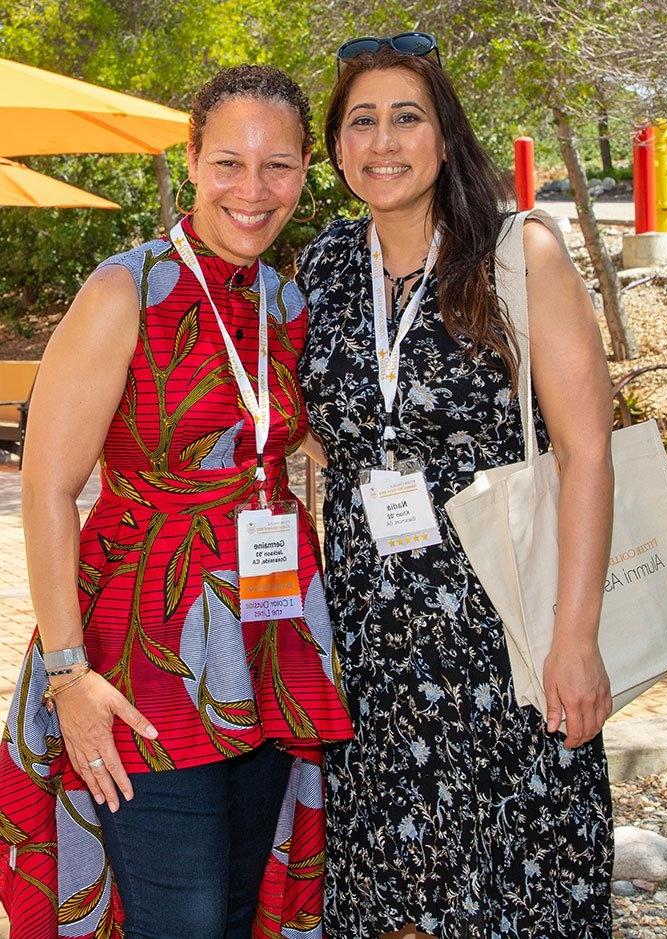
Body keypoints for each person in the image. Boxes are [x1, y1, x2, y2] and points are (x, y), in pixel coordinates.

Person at [0, 65, 352, 939]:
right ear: (191, 160)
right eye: (229, 161)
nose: (253, 189)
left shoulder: (287, 299)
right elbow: (46, 488)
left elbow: (295, 435)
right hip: (140, 659)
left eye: (278, 166)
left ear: (307, 172)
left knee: (237, 911)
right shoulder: (124, 290)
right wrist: (68, 675)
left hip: (269, 647)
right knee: (179, 920)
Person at [296, 35, 614, 939]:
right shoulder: (322, 267)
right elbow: (319, 426)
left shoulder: (519, 255)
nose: (384, 140)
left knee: (516, 894)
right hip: (371, 639)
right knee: (392, 894)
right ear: (338, 146)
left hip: (506, 630)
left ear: (445, 139)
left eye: (408, 117)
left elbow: (587, 451)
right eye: (363, 121)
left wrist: (576, 637)